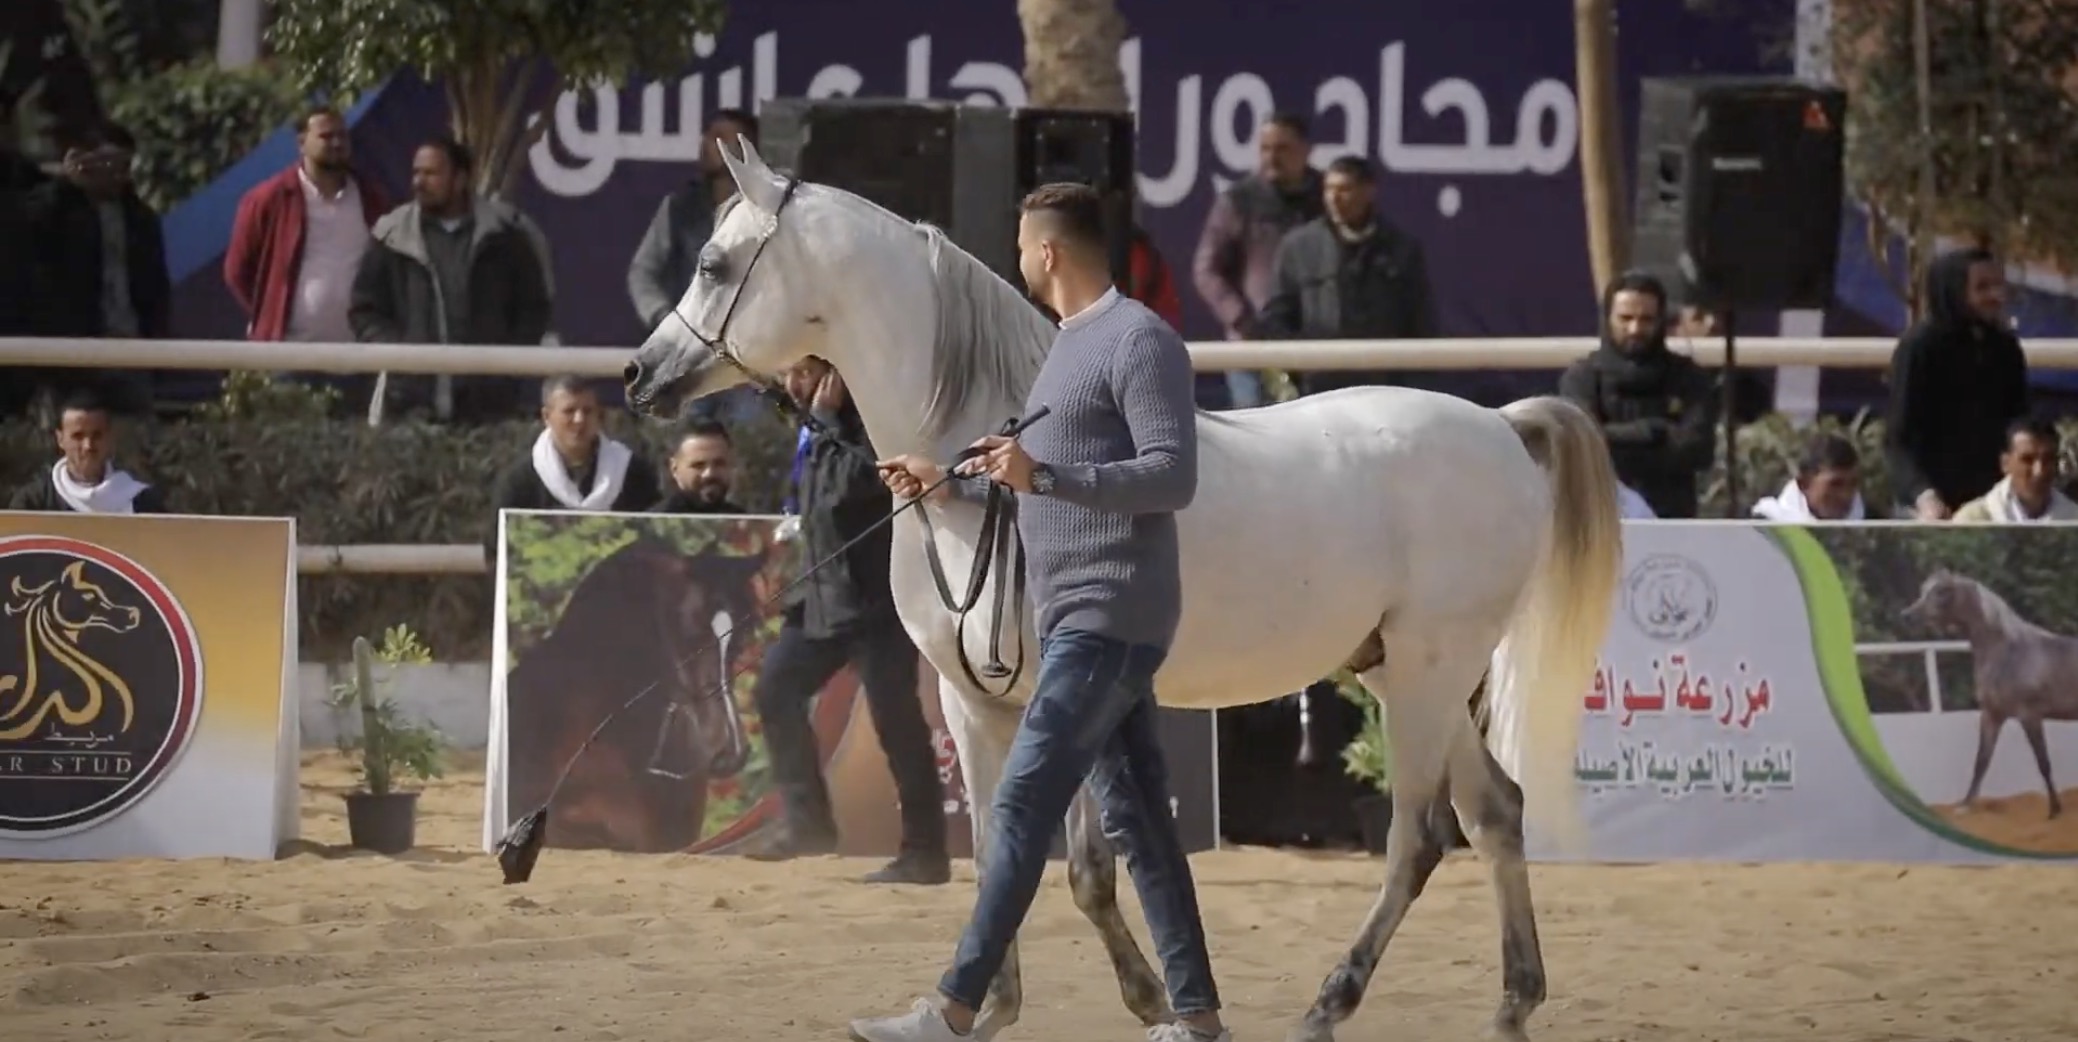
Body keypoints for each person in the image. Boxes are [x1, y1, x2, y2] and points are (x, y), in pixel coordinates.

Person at [861, 182, 1229, 1042]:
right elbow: (1041, 481)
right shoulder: (1068, 345)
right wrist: (950, 479)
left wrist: (1045, 473)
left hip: (1109, 614)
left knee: (1022, 805)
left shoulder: (1139, 339)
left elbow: (1172, 475)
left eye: (1024, 244)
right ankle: (1200, 1020)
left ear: (1049, 251)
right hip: (1078, 618)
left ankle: (953, 1011)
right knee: (1142, 827)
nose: (1018, 257)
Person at [745, 356, 951, 885]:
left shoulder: (867, 423)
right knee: (775, 690)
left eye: (805, 373)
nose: (795, 384)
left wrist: (828, 421)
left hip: (876, 603)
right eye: (789, 374)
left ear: (833, 374)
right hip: (821, 599)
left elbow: (844, 493)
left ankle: (925, 851)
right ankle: (807, 824)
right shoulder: (813, 423)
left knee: (897, 723)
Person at [1883, 247, 2031, 520]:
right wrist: (1924, 496)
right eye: (1982, 287)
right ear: (1955, 292)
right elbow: (1899, 439)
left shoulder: (2004, 347)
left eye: (1998, 285)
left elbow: (2019, 421)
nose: (1996, 295)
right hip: (1930, 507)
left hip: (1994, 505)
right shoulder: (1920, 347)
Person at [1557, 271, 1717, 518]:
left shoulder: (1689, 377)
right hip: (1601, 518)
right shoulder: (1582, 378)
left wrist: (1614, 439)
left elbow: (1699, 449)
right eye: (1626, 318)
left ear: (1661, 321)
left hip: (1671, 520)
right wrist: (1654, 431)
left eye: (1646, 319)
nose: (1635, 329)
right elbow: (1584, 445)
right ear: (1607, 319)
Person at [6, 387, 168, 513]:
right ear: (60, 439)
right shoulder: (33, 502)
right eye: (78, 436)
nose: (88, 446)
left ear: (110, 437)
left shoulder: (141, 501)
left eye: (97, 435)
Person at [1951, 416, 2078, 522]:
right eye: (2027, 460)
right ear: (2005, 463)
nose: (2039, 471)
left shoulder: (2073, 519)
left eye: (2048, 459)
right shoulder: (1973, 521)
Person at [1749, 433, 1869, 522]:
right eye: (1835, 484)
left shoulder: (1871, 520)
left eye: (1853, 483)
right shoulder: (1761, 527)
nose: (1845, 495)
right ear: (1804, 484)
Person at [650, 418, 746, 514]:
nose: (709, 474)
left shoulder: (740, 516)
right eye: (698, 465)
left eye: (719, 463)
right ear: (674, 469)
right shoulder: (656, 517)